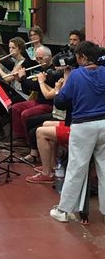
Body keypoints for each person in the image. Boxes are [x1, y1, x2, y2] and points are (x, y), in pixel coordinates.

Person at [50, 41, 105, 223]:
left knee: (77, 167)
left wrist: (59, 89)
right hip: (104, 123)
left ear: (82, 57)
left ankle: (64, 209)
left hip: (83, 126)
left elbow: (61, 102)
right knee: (104, 167)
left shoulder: (76, 75)